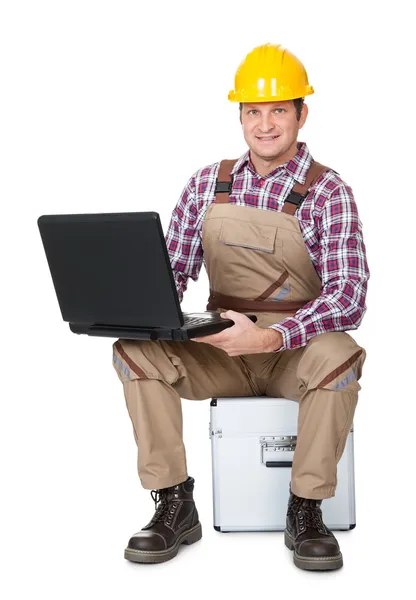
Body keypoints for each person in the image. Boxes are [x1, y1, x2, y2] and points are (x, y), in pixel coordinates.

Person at [112, 43, 369, 571]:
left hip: (294, 350)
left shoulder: (327, 192)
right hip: (221, 346)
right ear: (240, 116)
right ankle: (174, 504)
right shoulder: (208, 183)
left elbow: (349, 295)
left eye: (278, 110)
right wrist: (133, 306)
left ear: (301, 113)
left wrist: (272, 337)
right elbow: (172, 272)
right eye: (253, 111)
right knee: (134, 351)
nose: (266, 124)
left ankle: (306, 508)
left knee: (341, 355)